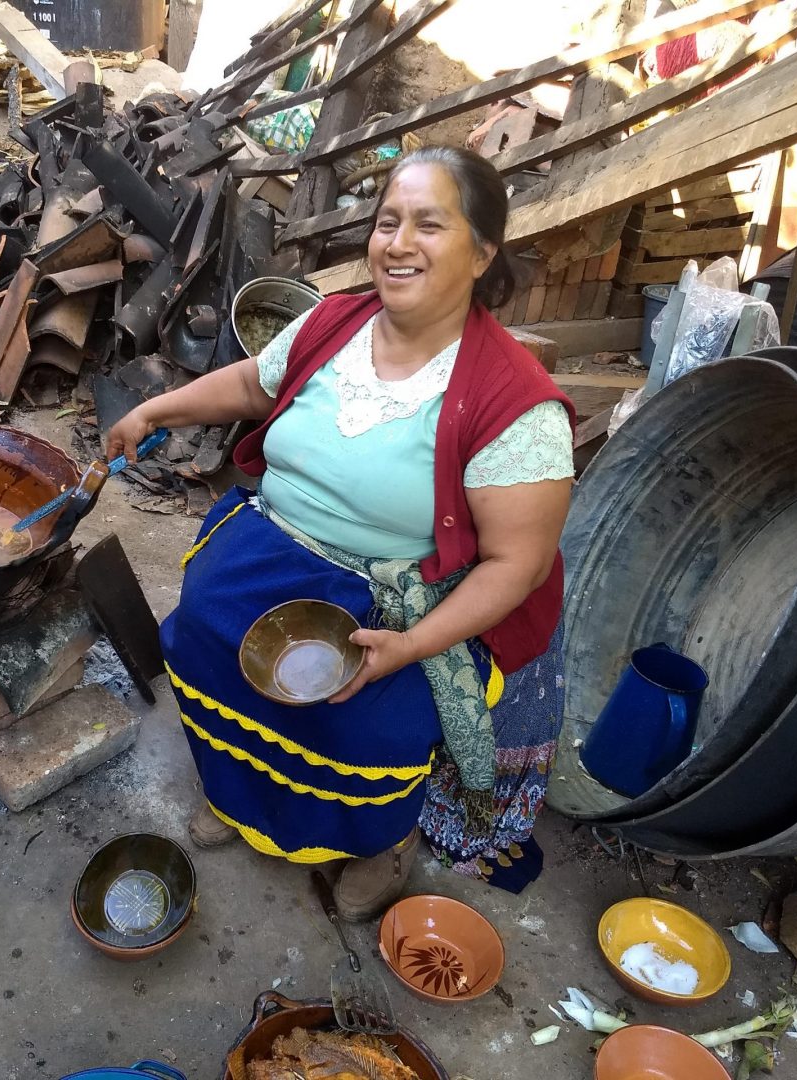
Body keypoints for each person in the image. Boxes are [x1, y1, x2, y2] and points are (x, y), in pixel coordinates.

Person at [106, 146, 575, 920]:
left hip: (398, 600)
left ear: (483, 250)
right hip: (269, 550)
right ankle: (238, 800)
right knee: (204, 645)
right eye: (388, 221)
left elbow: (515, 567)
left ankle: (377, 843)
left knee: (361, 726)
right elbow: (256, 383)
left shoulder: (515, 404)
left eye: (429, 224)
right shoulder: (335, 321)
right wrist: (156, 410)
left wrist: (412, 646)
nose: (397, 242)